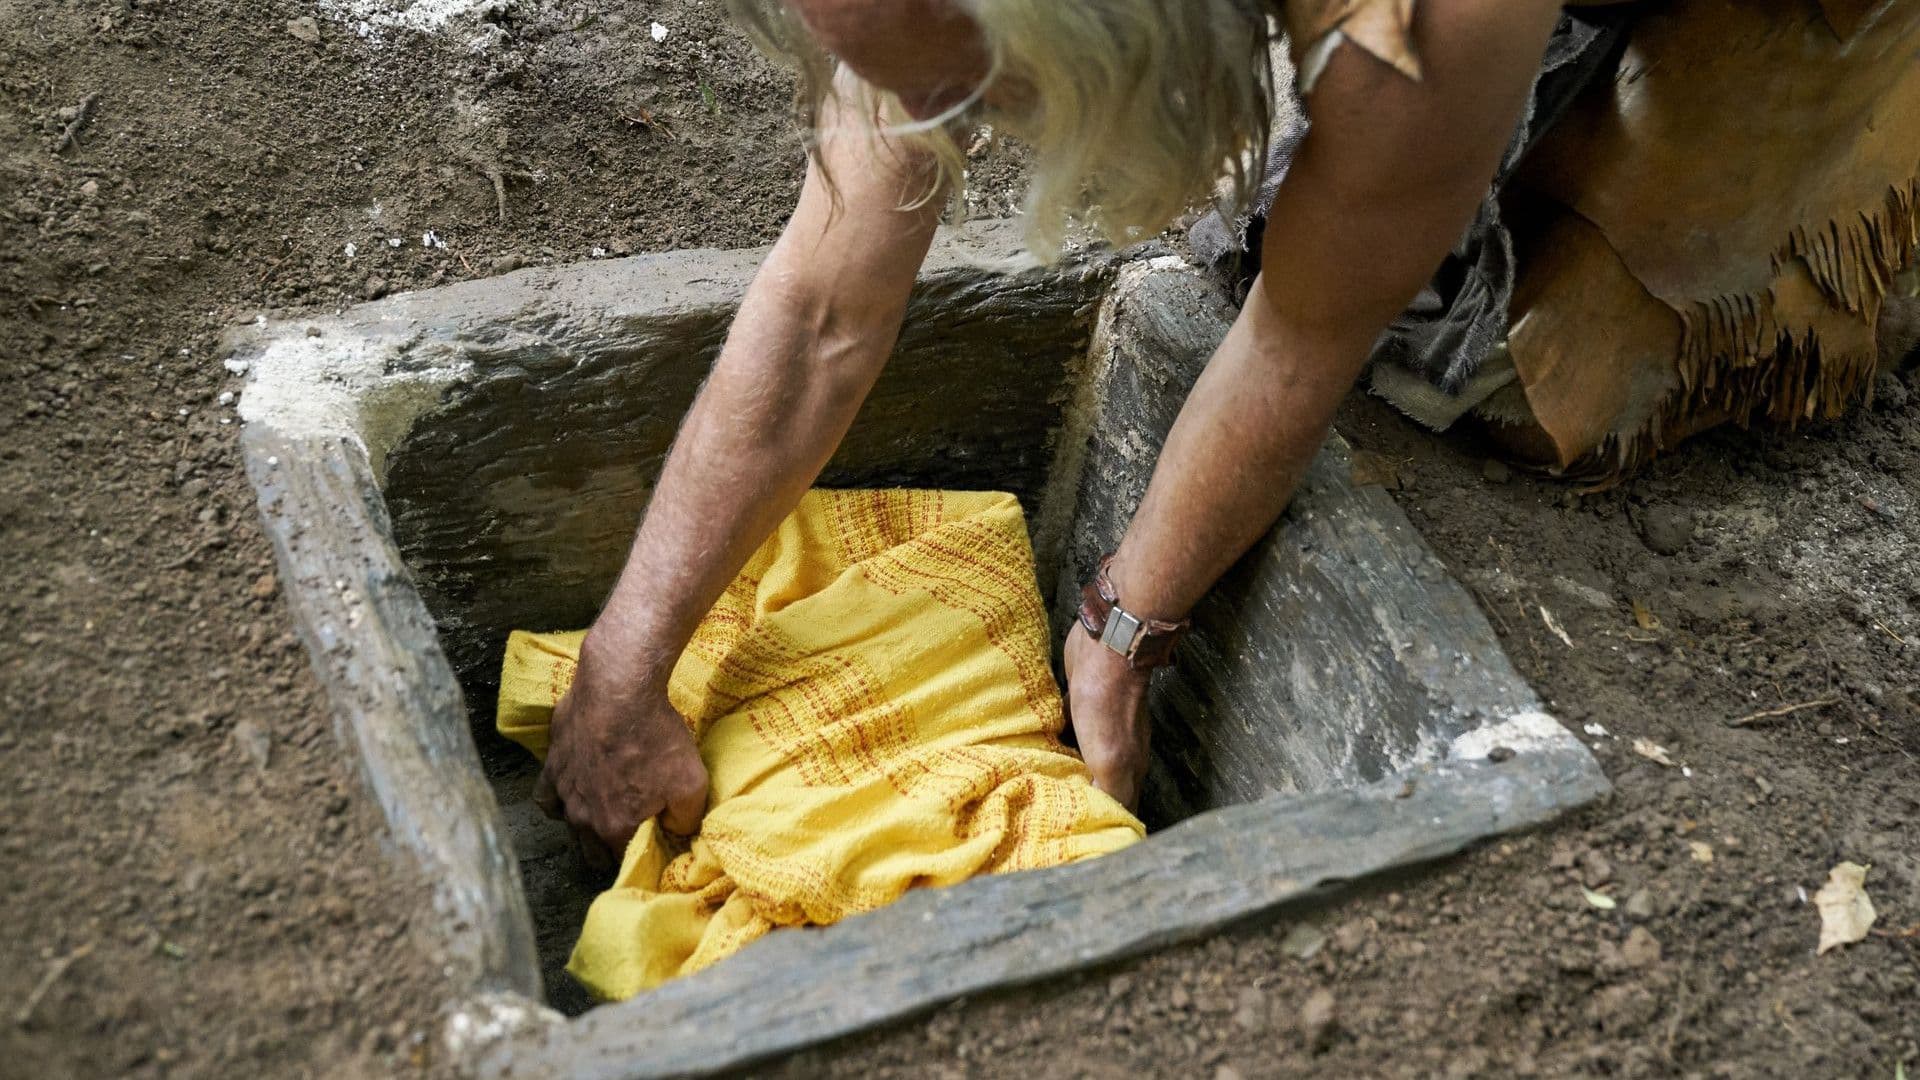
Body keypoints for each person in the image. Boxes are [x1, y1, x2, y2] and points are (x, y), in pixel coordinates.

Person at [534, 0, 1920, 863]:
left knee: (1491, 364)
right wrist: (621, 665)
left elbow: (1303, 336)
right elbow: (827, 310)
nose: (955, 130)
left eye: (989, 96)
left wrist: (1129, 628)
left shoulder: (1433, 25)